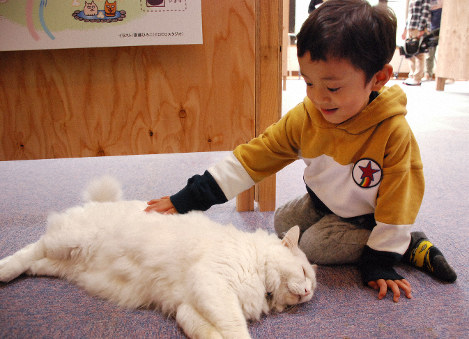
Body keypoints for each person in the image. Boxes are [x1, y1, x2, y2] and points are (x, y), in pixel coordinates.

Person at [145, 0, 457, 302]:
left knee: (314, 247)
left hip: (368, 216)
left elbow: (400, 201)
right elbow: (257, 155)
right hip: (324, 202)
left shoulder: (393, 133)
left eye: (332, 87)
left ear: (378, 78)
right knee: (282, 223)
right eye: (309, 83)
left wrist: (380, 260)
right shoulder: (307, 114)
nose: (319, 98)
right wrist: (189, 197)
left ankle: (409, 246)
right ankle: (383, 239)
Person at [402, 0, 431, 86]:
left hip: (418, 28)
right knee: (410, 52)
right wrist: (405, 29)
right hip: (411, 27)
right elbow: (410, 14)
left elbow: (425, 12)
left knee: (419, 53)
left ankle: (417, 78)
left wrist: (421, 28)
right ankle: (412, 75)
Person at [423, 0, 443, 81]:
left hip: (442, 29)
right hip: (431, 31)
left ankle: (444, 76)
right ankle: (428, 74)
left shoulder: (443, 5)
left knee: (442, 54)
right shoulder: (427, 5)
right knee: (429, 54)